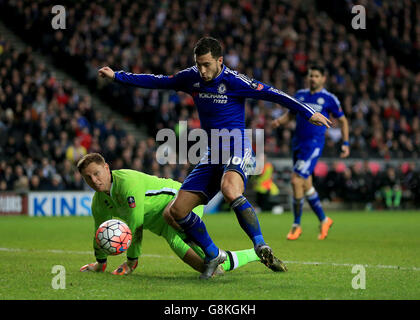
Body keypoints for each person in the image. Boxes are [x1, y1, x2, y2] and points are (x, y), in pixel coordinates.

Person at [98, 37, 331, 279]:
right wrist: (118, 76)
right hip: (212, 153)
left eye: (207, 64)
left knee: (230, 190)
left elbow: (274, 94)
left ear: (220, 61)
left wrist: (308, 112)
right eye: (198, 64)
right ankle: (212, 254)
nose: (202, 70)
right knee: (175, 212)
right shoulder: (192, 77)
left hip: (238, 147)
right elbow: (158, 81)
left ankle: (260, 245)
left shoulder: (234, 81)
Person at [78, 153, 261, 276]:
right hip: (164, 225)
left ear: (107, 168)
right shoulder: (99, 202)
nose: (94, 180)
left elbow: (135, 225)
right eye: (88, 177)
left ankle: (256, 251)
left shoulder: (127, 183)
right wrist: (100, 263)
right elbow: (99, 232)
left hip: (179, 203)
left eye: (96, 173)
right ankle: (257, 253)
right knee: (213, 270)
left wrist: (131, 262)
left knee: (179, 234)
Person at [272, 65, 350, 240]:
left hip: (313, 144)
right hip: (297, 143)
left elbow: (343, 121)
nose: (313, 79)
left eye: (316, 76)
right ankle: (324, 219)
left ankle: (296, 225)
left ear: (323, 78)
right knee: (306, 185)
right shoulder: (300, 95)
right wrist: (279, 121)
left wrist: (345, 143)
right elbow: (290, 115)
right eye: (310, 76)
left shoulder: (329, 98)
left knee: (295, 180)